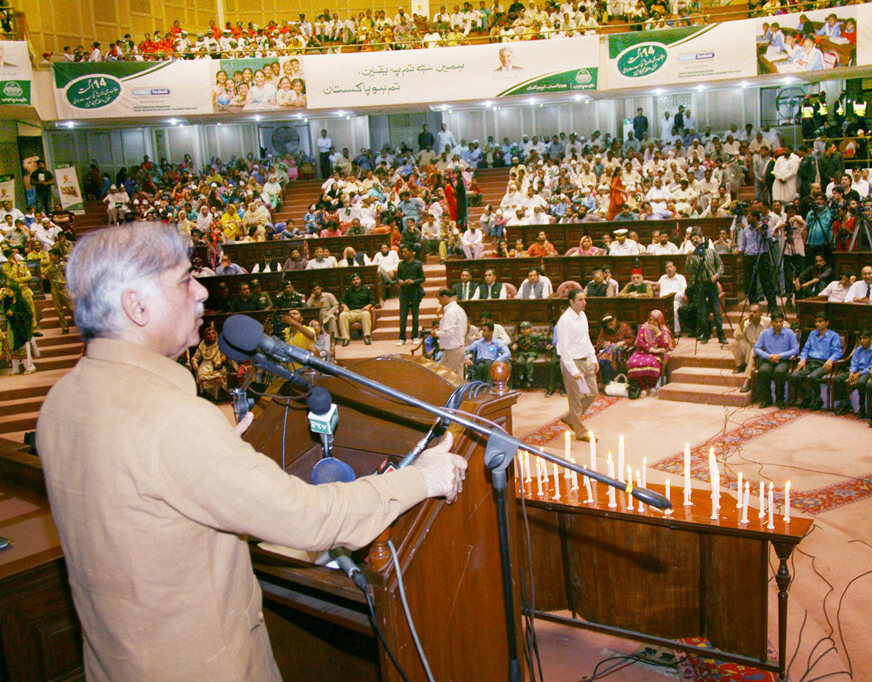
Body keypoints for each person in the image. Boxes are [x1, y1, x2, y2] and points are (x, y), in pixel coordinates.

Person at [35, 222, 467, 682]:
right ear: (135, 305)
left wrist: (217, 453)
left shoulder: (63, 400)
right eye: (184, 280)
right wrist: (421, 477)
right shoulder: (173, 421)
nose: (202, 291)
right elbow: (308, 518)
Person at [555, 289, 597, 441]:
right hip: (572, 363)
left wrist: (593, 357)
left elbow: (586, 338)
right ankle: (581, 431)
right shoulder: (564, 321)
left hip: (585, 360)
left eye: (584, 299)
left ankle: (570, 418)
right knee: (576, 398)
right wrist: (573, 370)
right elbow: (564, 349)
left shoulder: (583, 315)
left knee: (591, 393)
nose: (584, 302)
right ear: (571, 302)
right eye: (580, 300)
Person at [789, 311, 842, 410]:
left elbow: (838, 352)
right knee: (794, 375)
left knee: (813, 377)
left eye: (820, 321)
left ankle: (817, 399)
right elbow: (806, 349)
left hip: (823, 364)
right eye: (816, 322)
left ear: (827, 323)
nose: (817, 324)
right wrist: (803, 358)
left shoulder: (833, 336)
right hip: (810, 362)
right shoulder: (812, 334)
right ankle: (807, 396)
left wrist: (831, 360)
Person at [685, 230, 727, 345]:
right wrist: (688, 259)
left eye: (697, 238)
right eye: (693, 240)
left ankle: (721, 335)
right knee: (702, 312)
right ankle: (705, 334)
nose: (695, 241)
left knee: (716, 311)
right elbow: (688, 271)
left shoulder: (711, 251)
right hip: (700, 284)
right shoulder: (693, 255)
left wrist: (716, 275)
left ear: (701, 239)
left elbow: (721, 266)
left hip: (712, 284)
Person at [754, 311, 800, 408]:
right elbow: (756, 348)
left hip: (783, 360)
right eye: (776, 322)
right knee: (763, 371)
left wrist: (781, 355)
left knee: (779, 372)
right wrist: (767, 356)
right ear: (772, 322)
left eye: (781, 322)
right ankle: (767, 399)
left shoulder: (789, 333)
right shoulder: (765, 333)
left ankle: (780, 399)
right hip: (769, 359)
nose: (779, 324)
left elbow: (796, 349)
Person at [627, 310, 673, 393]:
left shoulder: (664, 330)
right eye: (650, 319)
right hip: (643, 351)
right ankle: (643, 386)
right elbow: (640, 342)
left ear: (660, 321)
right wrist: (652, 349)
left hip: (658, 353)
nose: (652, 322)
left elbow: (665, 346)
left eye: (655, 320)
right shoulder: (644, 327)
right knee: (633, 362)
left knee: (652, 362)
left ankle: (652, 385)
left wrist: (658, 333)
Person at [730, 304, 771, 393]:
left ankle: (747, 380)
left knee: (754, 351)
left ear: (761, 313)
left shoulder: (768, 321)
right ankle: (740, 365)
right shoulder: (746, 322)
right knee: (736, 343)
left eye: (755, 312)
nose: (752, 314)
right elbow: (736, 335)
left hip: (762, 348)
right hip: (750, 345)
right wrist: (742, 323)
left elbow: (786, 325)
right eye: (750, 311)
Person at [833, 328, 872, 417]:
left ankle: (862, 406)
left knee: (861, 382)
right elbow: (853, 362)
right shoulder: (858, 349)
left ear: (870, 339)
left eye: (865, 338)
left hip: (866, 372)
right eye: (860, 339)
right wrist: (852, 372)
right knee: (837, 379)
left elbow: (870, 366)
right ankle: (844, 402)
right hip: (856, 370)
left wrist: (858, 374)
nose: (862, 341)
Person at [1, 283, 37, 374]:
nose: (8, 293)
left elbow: (28, 315)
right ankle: (15, 368)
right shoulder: (8, 301)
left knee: (24, 348)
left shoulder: (22, 301)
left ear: (15, 292)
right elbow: (4, 310)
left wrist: (14, 314)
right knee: (13, 346)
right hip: (13, 327)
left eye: (9, 291)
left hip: (22, 328)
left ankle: (29, 366)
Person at [190, 324, 229, 400]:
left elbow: (224, 356)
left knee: (218, 377)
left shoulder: (219, 343)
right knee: (202, 378)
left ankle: (216, 396)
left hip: (216, 366)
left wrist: (220, 361)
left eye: (213, 333)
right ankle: (208, 397)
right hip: (204, 365)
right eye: (209, 334)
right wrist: (195, 364)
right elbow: (195, 358)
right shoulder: (202, 345)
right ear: (205, 336)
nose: (211, 335)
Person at [396, 246, 425, 345]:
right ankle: (402, 337)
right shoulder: (401, 264)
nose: (403, 254)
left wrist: (413, 281)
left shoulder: (417, 264)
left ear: (410, 252)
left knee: (415, 316)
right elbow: (398, 277)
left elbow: (422, 278)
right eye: (402, 252)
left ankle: (415, 336)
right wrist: (399, 281)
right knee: (403, 317)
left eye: (405, 252)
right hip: (404, 292)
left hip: (415, 292)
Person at [594, 315, 634, 386]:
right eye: (608, 326)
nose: (610, 327)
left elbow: (631, 339)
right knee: (603, 361)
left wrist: (624, 342)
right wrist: (605, 343)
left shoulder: (624, 327)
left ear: (615, 320)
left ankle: (608, 383)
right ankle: (606, 383)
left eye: (611, 324)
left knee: (614, 350)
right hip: (607, 352)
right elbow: (599, 343)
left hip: (621, 352)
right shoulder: (604, 330)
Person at [337, 273, 376, 346]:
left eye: (357, 279)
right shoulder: (348, 291)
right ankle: (346, 338)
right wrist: (344, 306)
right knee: (343, 315)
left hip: (362, 311)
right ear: (351, 282)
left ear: (360, 280)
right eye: (354, 280)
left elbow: (373, 301)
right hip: (351, 312)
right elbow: (341, 301)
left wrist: (368, 306)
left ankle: (367, 337)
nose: (356, 281)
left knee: (366, 314)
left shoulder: (366, 289)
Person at [436, 287, 468, 375]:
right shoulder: (459, 309)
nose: (439, 302)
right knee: (457, 380)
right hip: (457, 348)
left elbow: (448, 333)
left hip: (453, 350)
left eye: (439, 299)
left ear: (444, 297)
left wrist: (435, 333)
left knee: (445, 377)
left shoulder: (451, 312)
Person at [511, 321, 549, 389]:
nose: (525, 331)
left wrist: (549, 344)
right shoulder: (520, 338)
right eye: (523, 329)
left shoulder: (534, 336)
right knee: (519, 362)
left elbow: (546, 339)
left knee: (529, 361)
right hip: (523, 353)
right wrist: (515, 345)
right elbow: (515, 343)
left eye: (527, 329)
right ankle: (521, 378)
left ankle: (530, 379)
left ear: (530, 329)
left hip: (532, 353)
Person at [44, 248, 74, 334]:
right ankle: (64, 327)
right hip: (55, 288)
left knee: (72, 307)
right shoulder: (50, 266)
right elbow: (45, 273)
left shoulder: (65, 265)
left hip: (64, 288)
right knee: (59, 309)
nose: (50, 257)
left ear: (57, 255)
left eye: (51, 255)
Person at [657, 261, 687, 335]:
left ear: (675, 268)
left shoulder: (681, 277)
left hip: (677, 299)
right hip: (663, 300)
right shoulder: (663, 278)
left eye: (671, 266)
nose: (669, 269)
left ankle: (677, 331)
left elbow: (684, 290)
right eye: (667, 267)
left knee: (674, 308)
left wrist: (674, 296)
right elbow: (656, 287)